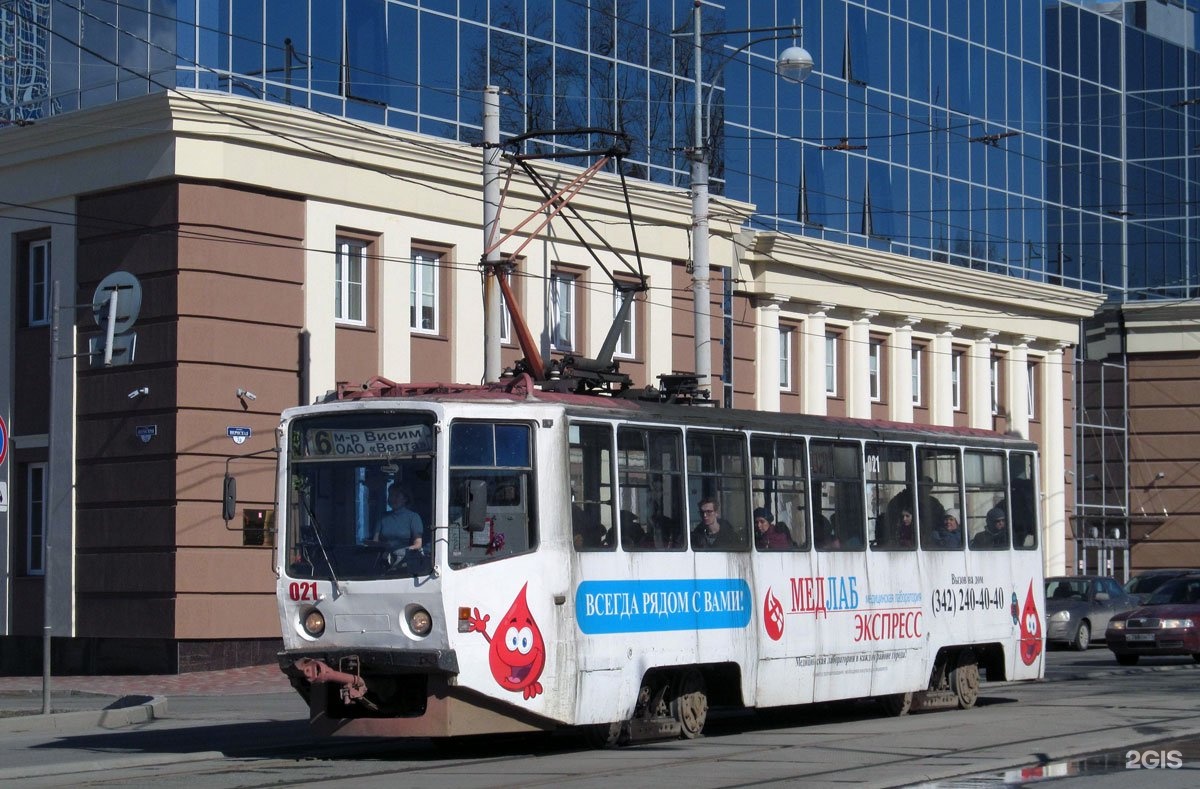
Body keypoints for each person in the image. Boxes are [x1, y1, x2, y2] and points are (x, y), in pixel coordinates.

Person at [373, 485, 423, 559]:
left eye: (396, 496)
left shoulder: (413, 517)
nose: (392, 498)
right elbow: (375, 542)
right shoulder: (382, 517)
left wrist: (402, 551)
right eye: (390, 495)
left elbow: (418, 544)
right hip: (384, 559)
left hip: (406, 561)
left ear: (405, 499)